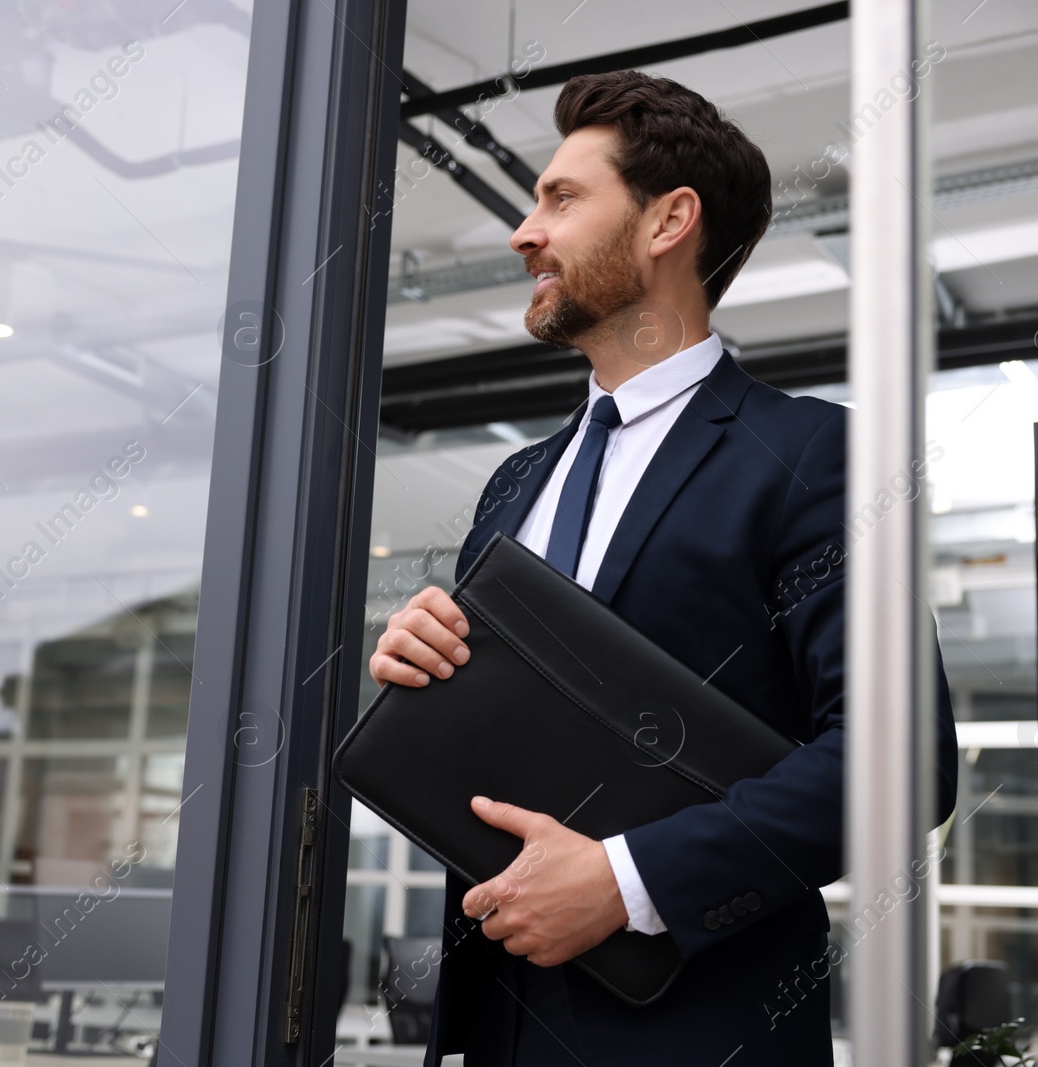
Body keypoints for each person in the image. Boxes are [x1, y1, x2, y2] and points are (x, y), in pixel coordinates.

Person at [368, 69, 958, 1066]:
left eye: (559, 198)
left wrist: (628, 878)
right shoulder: (514, 483)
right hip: (495, 1032)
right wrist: (422, 670)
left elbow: (898, 759)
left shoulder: (811, 458)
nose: (523, 232)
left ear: (667, 221)